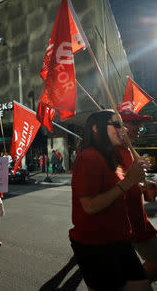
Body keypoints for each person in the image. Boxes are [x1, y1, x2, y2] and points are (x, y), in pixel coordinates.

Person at [69, 110, 151, 290]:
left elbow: (119, 191)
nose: (123, 129)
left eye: (122, 124)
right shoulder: (89, 157)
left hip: (118, 239)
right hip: (96, 245)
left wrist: (136, 182)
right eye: (117, 124)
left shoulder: (110, 157)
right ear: (97, 129)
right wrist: (129, 181)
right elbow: (89, 206)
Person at [117, 110, 157, 281]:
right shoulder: (113, 152)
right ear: (121, 127)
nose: (140, 128)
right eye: (135, 124)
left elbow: (127, 182)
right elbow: (110, 188)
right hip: (128, 223)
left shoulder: (128, 150)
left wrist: (142, 187)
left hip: (137, 220)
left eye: (140, 125)